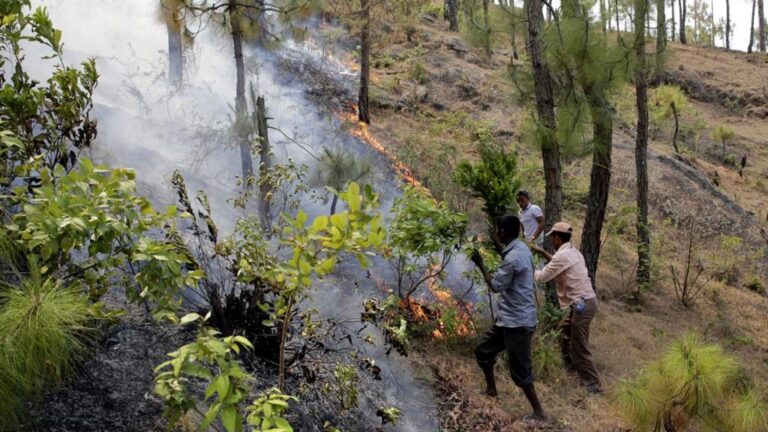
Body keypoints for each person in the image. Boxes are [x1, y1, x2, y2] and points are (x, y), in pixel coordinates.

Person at [471, 215, 546, 421]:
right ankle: (492, 390)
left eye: (498, 231)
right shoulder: (521, 248)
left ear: (504, 233)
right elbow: (505, 256)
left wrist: (480, 263)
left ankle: (539, 413)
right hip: (508, 319)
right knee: (483, 352)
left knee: (520, 373)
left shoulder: (514, 258)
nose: (497, 234)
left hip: (518, 323)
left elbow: (496, 286)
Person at [531, 222, 602, 394]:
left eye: (552, 238)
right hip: (584, 303)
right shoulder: (573, 252)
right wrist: (541, 253)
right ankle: (571, 367)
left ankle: (593, 384)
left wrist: (529, 266)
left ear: (557, 238)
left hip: (582, 305)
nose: (551, 241)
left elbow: (541, 277)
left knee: (579, 345)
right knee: (564, 333)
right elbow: (558, 263)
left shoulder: (562, 257)